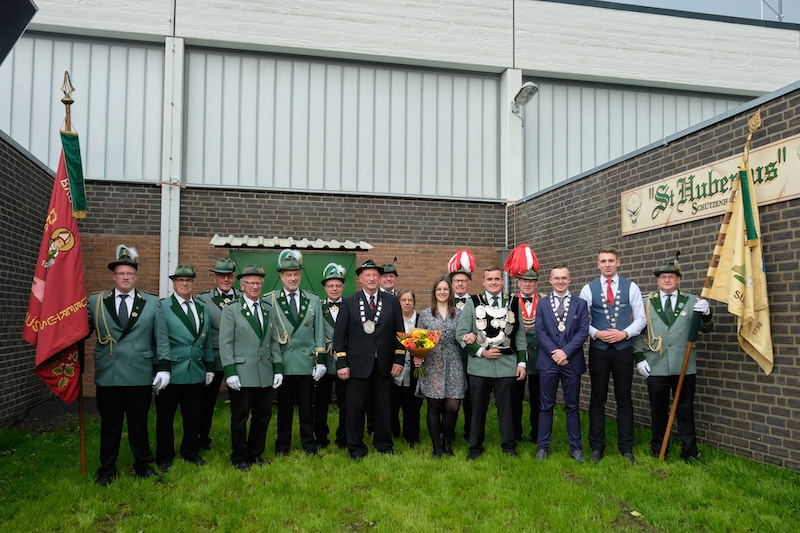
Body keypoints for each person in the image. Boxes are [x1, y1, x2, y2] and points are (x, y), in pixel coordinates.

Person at [87, 245, 170, 486]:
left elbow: (161, 338)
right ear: (113, 276)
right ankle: (107, 469)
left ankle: (143, 464)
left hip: (139, 372)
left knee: (138, 423)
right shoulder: (96, 301)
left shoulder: (151, 302)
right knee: (110, 424)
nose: (125, 277)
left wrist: (164, 367)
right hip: (109, 372)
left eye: (129, 273)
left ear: (136, 276)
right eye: (121, 273)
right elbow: (82, 330)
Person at [633, 256, 713, 461]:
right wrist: (639, 358)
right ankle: (658, 449)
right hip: (656, 365)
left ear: (678, 280)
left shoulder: (693, 301)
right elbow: (637, 333)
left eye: (671, 277)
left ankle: (690, 452)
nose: (667, 280)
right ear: (657, 280)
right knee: (658, 411)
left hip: (683, 365)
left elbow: (706, 329)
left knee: (685, 410)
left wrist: (707, 314)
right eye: (663, 277)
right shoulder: (646, 302)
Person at [579, 246, 646, 463]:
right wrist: (596, 333)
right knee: (597, 398)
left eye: (611, 260)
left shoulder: (631, 287)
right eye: (603, 261)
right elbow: (581, 320)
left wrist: (623, 334)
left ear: (618, 262)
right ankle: (596, 447)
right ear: (598, 264)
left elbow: (641, 319)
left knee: (624, 398)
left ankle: (626, 448)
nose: (607, 264)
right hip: (599, 351)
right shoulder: (588, 289)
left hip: (623, 350)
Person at [333, 259, 405, 460]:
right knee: (355, 409)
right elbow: (339, 337)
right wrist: (342, 364)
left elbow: (400, 333)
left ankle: (384, 445)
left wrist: (399, 360)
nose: (372, 278)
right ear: (360, 278)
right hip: (356, 366)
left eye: (375, 275)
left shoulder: (392, 302)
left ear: (380, 278)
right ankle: (355, 448)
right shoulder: (348, 302)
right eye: (367, 275)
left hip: (384, 365)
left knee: (384, 408)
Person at [456, 265, 527, 460]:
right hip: (480, 367)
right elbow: (460, 334)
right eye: (490, 279)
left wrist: (521, 363)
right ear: (483, 281)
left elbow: (520, 335)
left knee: (507, 410)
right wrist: (481, 352)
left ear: (502, 281)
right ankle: (475, 448)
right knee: (477, 410)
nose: (493, 282)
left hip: (507, 365)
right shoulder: (472, 302)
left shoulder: (513, 302)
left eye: (497, 279)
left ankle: (509, 448)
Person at [219, 264, 283, 471]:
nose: (255, 287)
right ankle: (239, 457)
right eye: (251, 283)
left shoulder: (268, 309)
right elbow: (225, 343)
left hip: (264, 372)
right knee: (240, 417)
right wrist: (230, 372)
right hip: (242, 373)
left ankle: (255, 453)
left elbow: (274, 341)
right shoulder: (231, 309)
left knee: (263, 415)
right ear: (242, 285)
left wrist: (278, 368)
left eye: (258, 283)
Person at [155, 264, 214, 471]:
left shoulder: (201, 307)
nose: (185, 283)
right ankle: (164, 456)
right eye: (180, 280)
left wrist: (209, 366)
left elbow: (207, 339)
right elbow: (159, 338)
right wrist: (161, 368)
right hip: (172, 371)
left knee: (193, 416)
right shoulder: (163, 306)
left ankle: (190, 451)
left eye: (188, 280)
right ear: (174, 283)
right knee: (165, 417)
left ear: (193, 283)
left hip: (196, 371)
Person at [267, 249, 326, 456]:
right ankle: (282, 446)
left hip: (306, 363)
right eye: (288, 275)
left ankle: (308, 444)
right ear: (282, 277)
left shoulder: (313, 299)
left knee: (307, 408)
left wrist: (321, 361)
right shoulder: (271, 300)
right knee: (284, 408)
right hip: (284, 362)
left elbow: (319, 331)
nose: (293, 278)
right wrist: (275, 365)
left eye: (296, 274)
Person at [534, 264, 589, 462]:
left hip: (571, 361)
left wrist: (565, 352)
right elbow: (539, 330)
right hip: (548, 362)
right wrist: (555, 353)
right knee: (545, 406)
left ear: (569, 280)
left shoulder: (580, 304)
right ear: (550, 280)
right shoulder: (542, 303)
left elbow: (583, 331)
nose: (560, 281)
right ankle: (542, 447)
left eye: (564, 278)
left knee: (572, 406)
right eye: (556, 278)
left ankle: (576, 448)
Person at [417, 276, 467, 457]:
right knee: (435, 405)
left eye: (445, 289)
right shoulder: (425, 314)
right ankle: (436, 446)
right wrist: (419, 354)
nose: (442, 292)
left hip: (454, 361)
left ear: (450, 292)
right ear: (434, 292)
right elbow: (419, 341)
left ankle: (447, 441)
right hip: (434, 361)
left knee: (453, 406)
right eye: (439, 289)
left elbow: (464, 336)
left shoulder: (459, 313)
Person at [195, 257, 239, 451]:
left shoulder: (243, 298)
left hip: (237, 359)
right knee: (206, 403)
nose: (225, 279)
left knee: (239, 404)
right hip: (213, 358)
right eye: (221, 276)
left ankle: (239, 442)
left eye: (229, 276)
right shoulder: (203, 300)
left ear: (234, 278)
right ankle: (201, 439)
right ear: (215, 279)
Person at [504, 243, 542, 443]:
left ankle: (537, 434)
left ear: (536, 283)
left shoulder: (544, 301)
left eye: (531, 281)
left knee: (538, 398)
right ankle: (515, 434)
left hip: (538, 357)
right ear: (518, 282)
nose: (527, 284)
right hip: (516, 357)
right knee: (515, 398)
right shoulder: (509, 302)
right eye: (524, 281)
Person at [315, 262, 348, 449]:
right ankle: (321, 438)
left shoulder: (350, 306)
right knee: (321, 402)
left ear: (342, 287)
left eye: (338, 285)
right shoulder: (317, 307)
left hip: (344, 363)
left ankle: (343, 438)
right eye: (330, 286)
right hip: (324, 362)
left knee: (345, 402)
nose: (334, 289)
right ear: (325, 288)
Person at [447, 249, 476, 441]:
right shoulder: (445, 302)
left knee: (471, 397)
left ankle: (470, 432)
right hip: (450, 355)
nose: (459, 284)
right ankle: (448, 432)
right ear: (451, 283)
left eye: (463, 281)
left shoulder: (476, 303)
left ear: (469, 284)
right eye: (456, 281)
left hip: (470, 356)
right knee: (451, 396)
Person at [391, 288, 423, 447]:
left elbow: (426, 343)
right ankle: (393, 432)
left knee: (413, 405)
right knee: (393, 403)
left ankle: (412, 436)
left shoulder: (420, 320)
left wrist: (421, 356)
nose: (407, 303)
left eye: (410, 300)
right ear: (398, 302)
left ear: (414, 302)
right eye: (403, 300)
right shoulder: (393, 320)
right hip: (395, 368)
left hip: (414, 368)